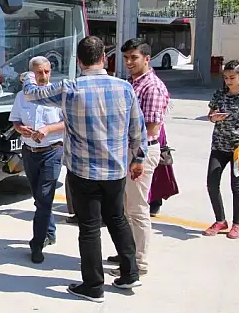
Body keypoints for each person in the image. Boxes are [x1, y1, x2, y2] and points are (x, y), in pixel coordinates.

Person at [20, 36, 147, 302]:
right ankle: (130, 272)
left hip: (83, 171)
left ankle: (93, 286)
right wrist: (138, 159)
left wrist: (28, 78)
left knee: (89, 227)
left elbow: (32, 95)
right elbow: (138, 129)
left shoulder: (70, 88)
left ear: (79, 61)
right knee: (117, 219)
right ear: (104, 58)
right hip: (115, 170)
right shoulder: (124, 88)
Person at [107, 38, 170, 277]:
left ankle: (139, 262)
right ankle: (127, 251)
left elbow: (152, 130)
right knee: (124, 207)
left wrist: (138, 159)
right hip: (127, 151)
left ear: (146, 58)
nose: (129, 62)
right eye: (126, 58)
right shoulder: (132, 83)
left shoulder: (151, 87)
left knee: (137, 209)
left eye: (134, 57)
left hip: (140, 152)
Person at [8, 56, 65, 264]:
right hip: (30, 151)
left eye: (46, 72)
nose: (43, 76)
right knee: (39, 198)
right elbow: (15, 120)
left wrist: (48, 129)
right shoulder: (22, 97)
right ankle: (49, 231)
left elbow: (68, 122)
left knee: (44, 195)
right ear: (31, 74)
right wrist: (21, 128)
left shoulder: (58, 94)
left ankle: (37, 244)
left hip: (52, 150)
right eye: (39, 72)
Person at [203, 60, 239, 239]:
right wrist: (214, 118)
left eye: (232, 77)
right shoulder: (220, 94)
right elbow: (210, 116)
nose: (228, 81)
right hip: (219, 145)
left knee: (236, 186)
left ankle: (237, 224)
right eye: (226, 77)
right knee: (212, 182)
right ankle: (220, 220)